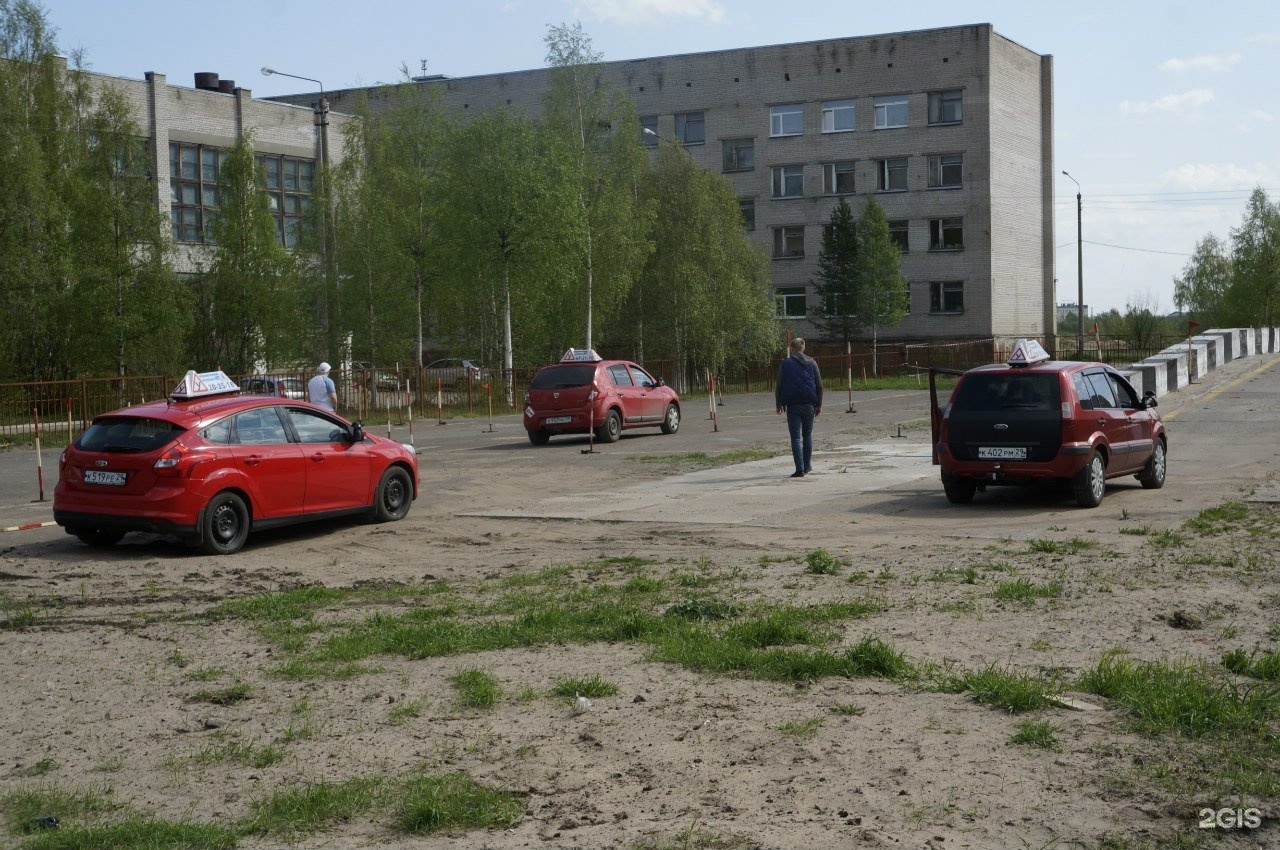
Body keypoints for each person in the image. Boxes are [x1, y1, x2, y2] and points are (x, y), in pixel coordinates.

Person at [775, 338, 822, 478]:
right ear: (803, 348)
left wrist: (779, 404)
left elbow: (779, 386)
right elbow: (819, 385)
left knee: (795, 438)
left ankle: (799, 469)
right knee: (807, 435)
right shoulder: (812, 363)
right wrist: (819, 404)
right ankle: (807, 466)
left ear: (792, 348)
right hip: (809, 404)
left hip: (793, 405)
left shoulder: (785, 364)